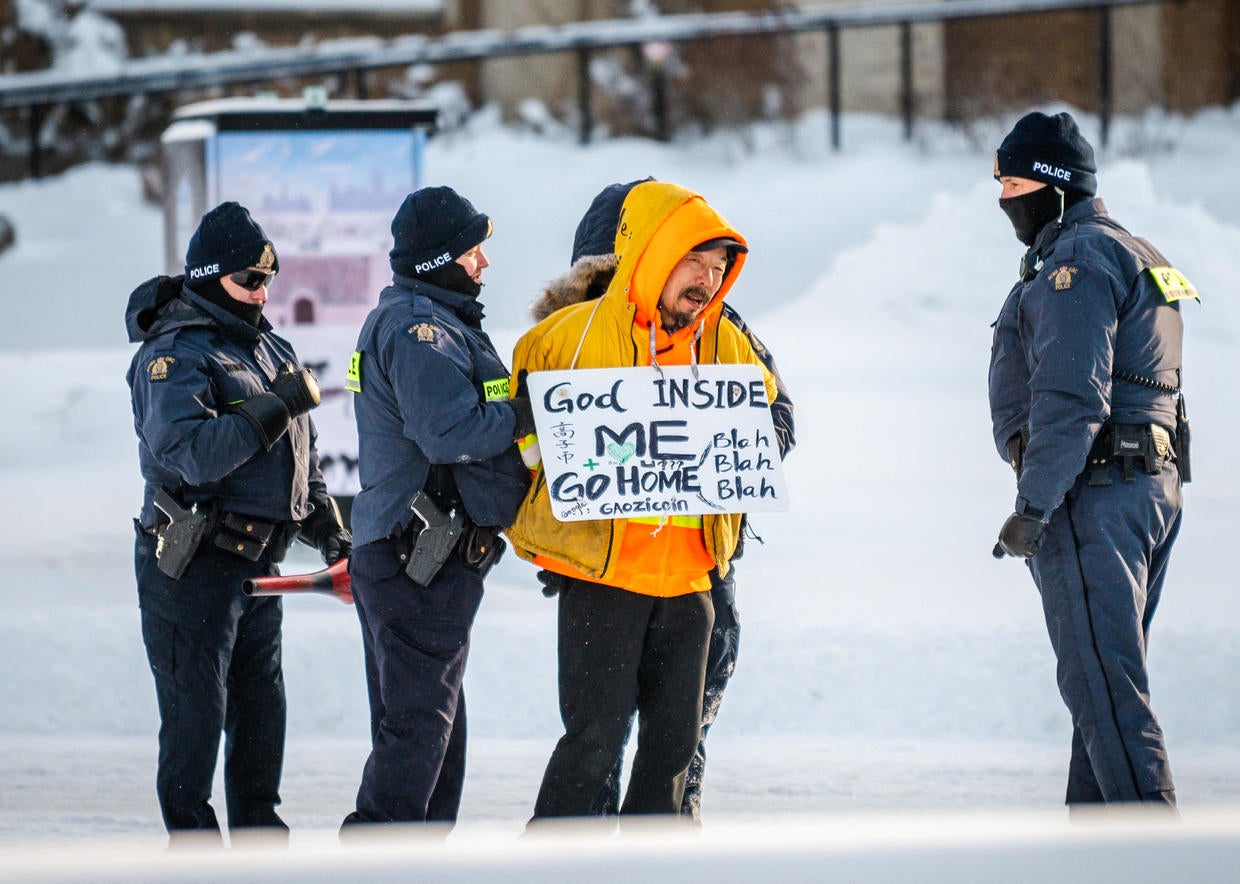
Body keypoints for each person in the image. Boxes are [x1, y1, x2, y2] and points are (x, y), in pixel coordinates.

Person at [506, 180, 778, 822]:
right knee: (593, 747)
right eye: (694, 261)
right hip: (605, 580)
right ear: (653, 254)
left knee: (673, 757)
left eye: (718, 269)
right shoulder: (562, 339)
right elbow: (514, 453)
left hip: (691, 583)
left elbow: (766, 419)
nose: (708, 281)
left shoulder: (726, 343)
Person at [988, 111, 1197, 809]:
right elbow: (1162, 386)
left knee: (1108, 698)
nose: (1003, 199)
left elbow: (1072, 398)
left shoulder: (1077, 260)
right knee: (1102, 693)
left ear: (1054, 185)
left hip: (1092, 495)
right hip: (1146, 491)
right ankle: (1099, 859)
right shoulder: (1140, 251)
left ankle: (1151, 859)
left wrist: (1035, 506)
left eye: (1013, 181)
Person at [125, 201, 351, 842]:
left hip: (258, 563)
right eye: (248, 279)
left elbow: (297, 458)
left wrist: (329, 527)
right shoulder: (172, 354)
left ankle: (259, 848)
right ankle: (195, 853)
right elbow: (191, 456)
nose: (260, 292)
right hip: (191, 563)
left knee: (260, 712)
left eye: (268, 281)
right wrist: (275, 405)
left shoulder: (266, 346)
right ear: (209, 275)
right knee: (196, 717)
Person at [340, 186, 531, 831]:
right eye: (473, 251)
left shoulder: (435, 325)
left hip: (422, 560)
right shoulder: (420, 328)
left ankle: (411, 857)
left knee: (430, 737)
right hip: (416, 558)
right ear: (440, 260)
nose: (483, 265)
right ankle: (377, 857)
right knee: (420, 735)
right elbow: (449, 431)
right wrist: (528, 411)